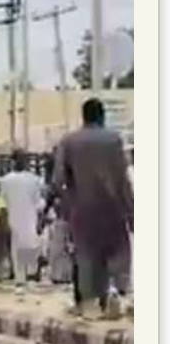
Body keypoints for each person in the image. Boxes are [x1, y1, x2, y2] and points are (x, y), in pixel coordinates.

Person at [53, 98, 133, 318]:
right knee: (117, 253)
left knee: (88, 257)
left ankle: (91, 304)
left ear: (84, 116)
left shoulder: (69, 142)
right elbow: (123, 179)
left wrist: (69, 202)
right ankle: (115, 292)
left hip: (83, 210)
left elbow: (57, 180)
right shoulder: (114, 140)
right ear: (102, 115)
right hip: (113, 207)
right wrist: (132, 211)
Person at [1, 151, 43, 288]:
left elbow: (3, 204)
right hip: (26, 219)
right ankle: (25, 276)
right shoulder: (33, 179)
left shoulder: (7, 180)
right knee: (26, 245)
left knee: (20, 247)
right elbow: (39, 203)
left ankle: (22, 277)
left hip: (19, 219)